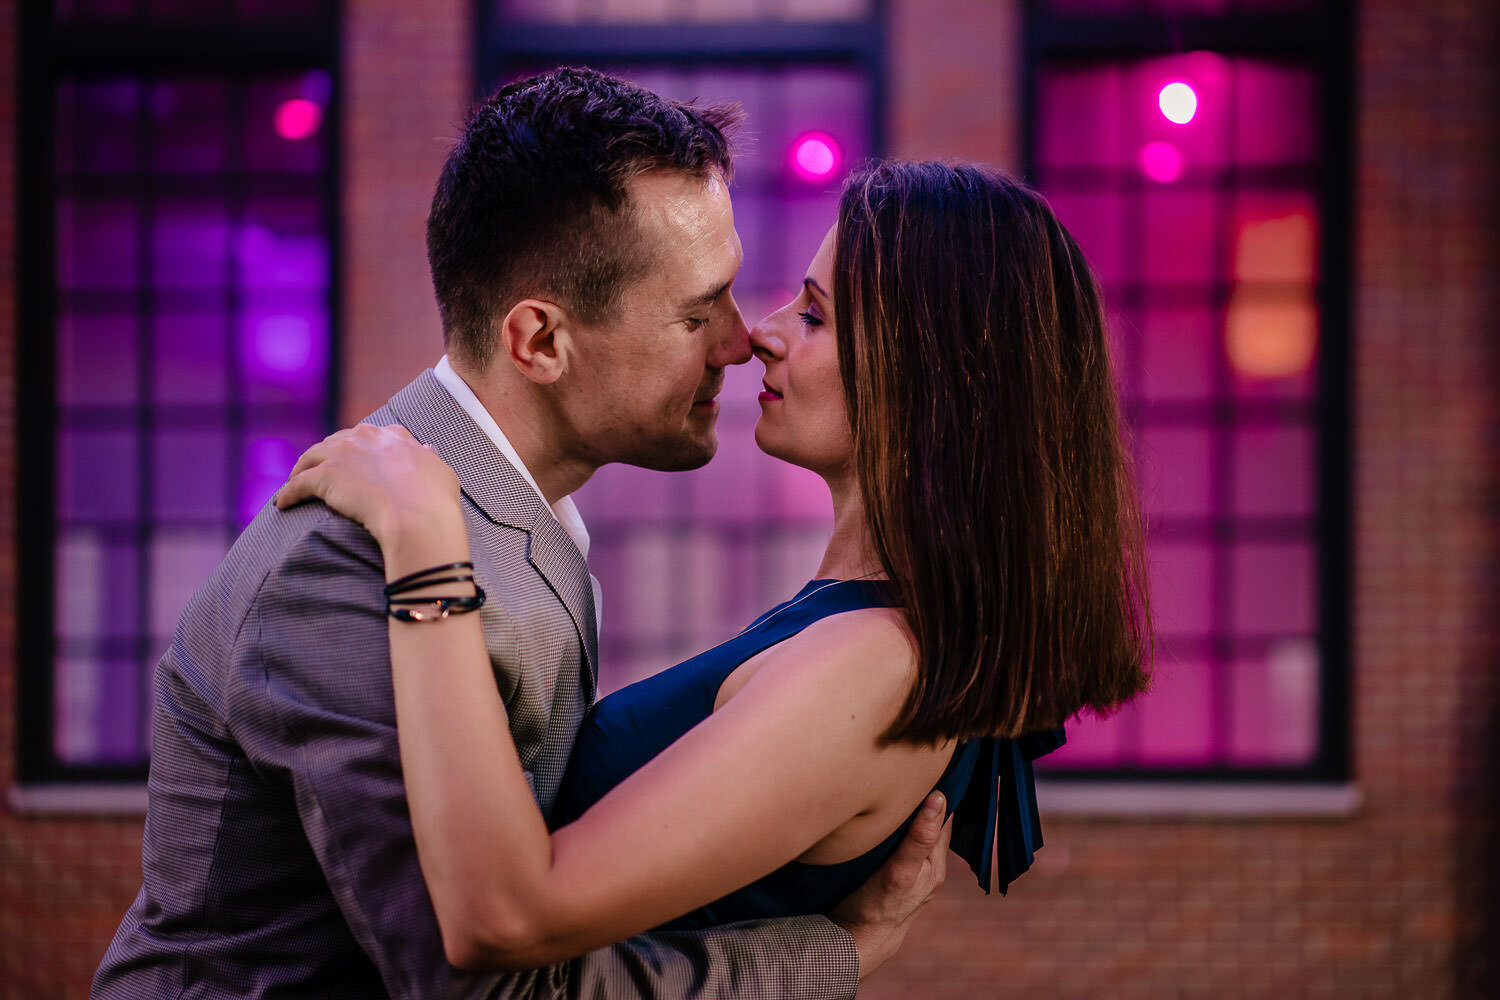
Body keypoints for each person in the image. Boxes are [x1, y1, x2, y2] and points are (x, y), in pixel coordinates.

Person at [92, 69, 949, 1000]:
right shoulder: (353, 565)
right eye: (700, 313)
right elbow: (484, 986)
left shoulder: (521, 517)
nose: (741, 342)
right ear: (540, 342)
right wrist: (836, 953)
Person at [274, 159, 1154, 969]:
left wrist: (428, 547)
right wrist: (850, 945)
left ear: (928, 378)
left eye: (813, 315)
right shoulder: (862, 628)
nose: (761, 336)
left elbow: (508, 918)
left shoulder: (875, 664)